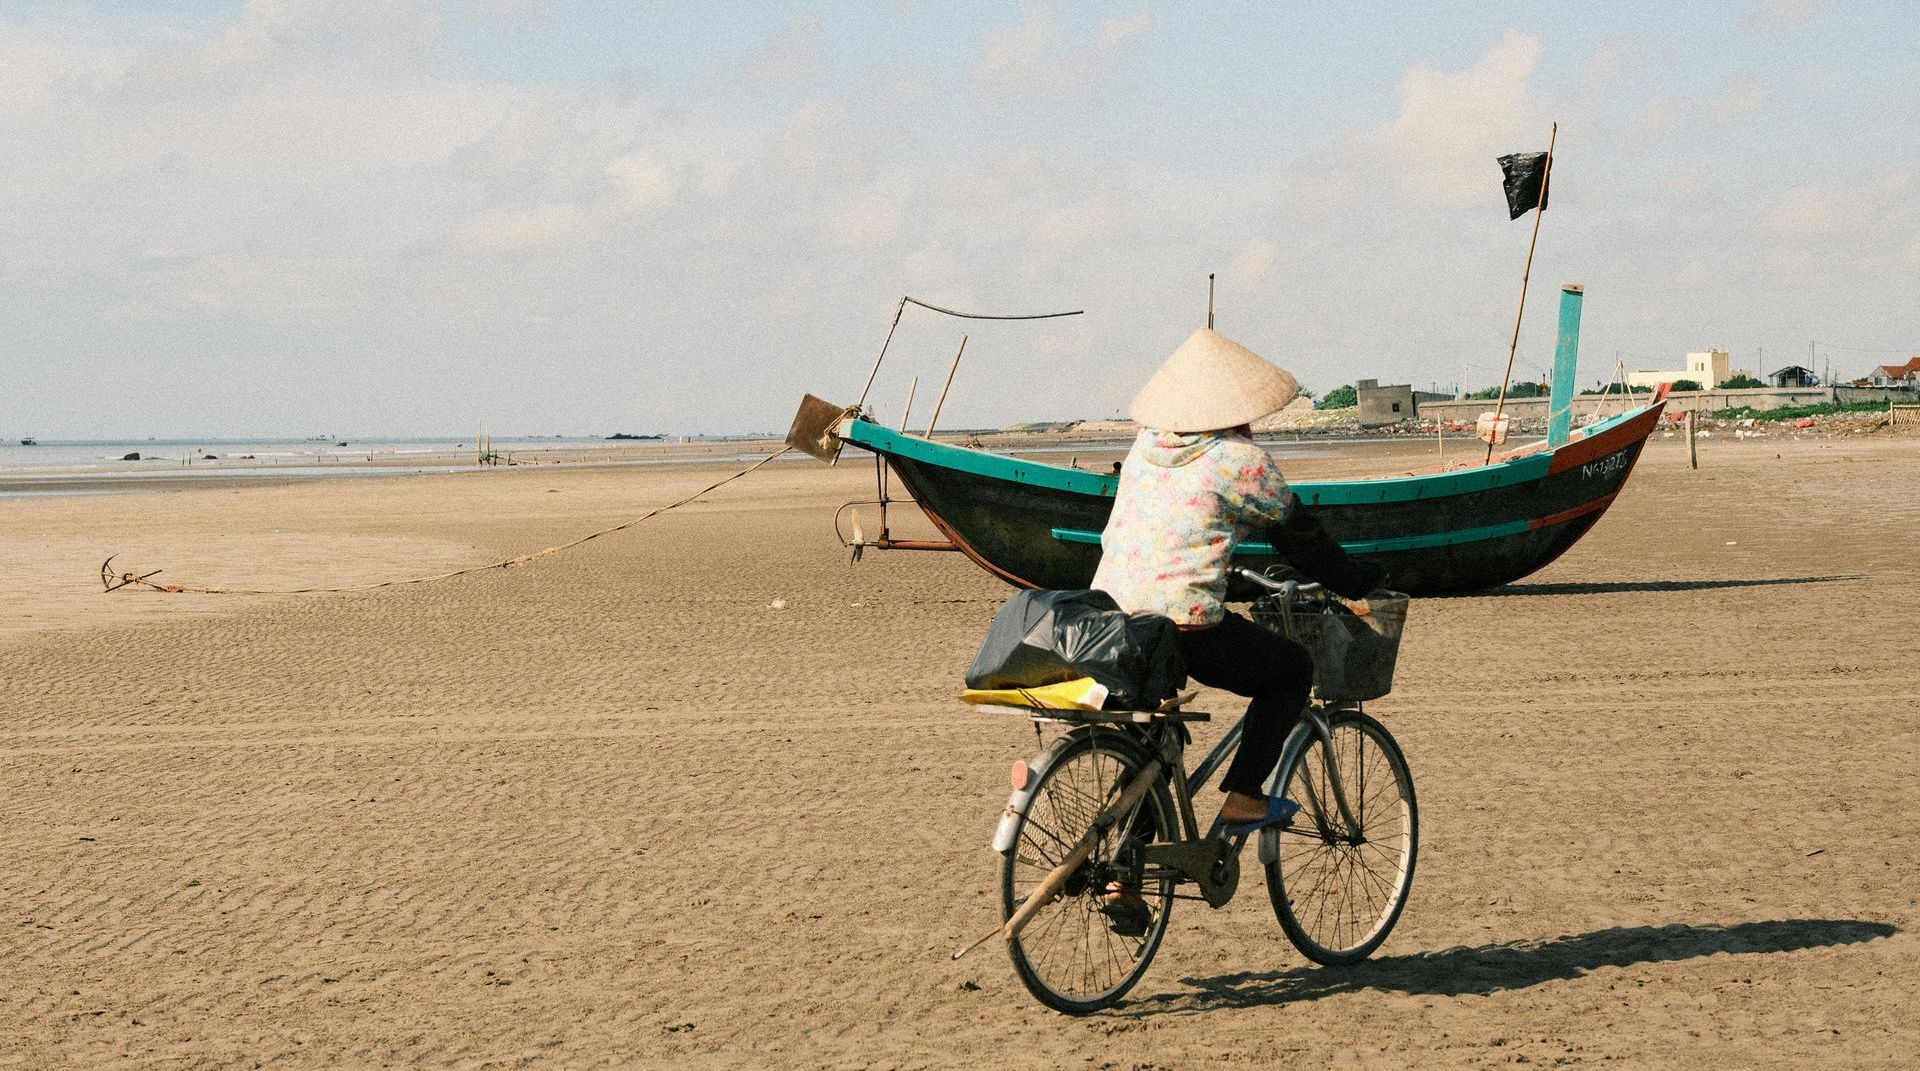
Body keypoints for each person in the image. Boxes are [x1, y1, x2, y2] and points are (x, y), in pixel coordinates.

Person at [1092, 326, 1385, 846]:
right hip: (1181, 622)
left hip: (1110, 616)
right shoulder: (1239, 460)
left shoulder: (1144, 448)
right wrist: (1357, 582)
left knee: (1155, 735)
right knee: (1291, 670)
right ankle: (1245, 794)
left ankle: (1124, 874)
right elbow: (1301, 540)